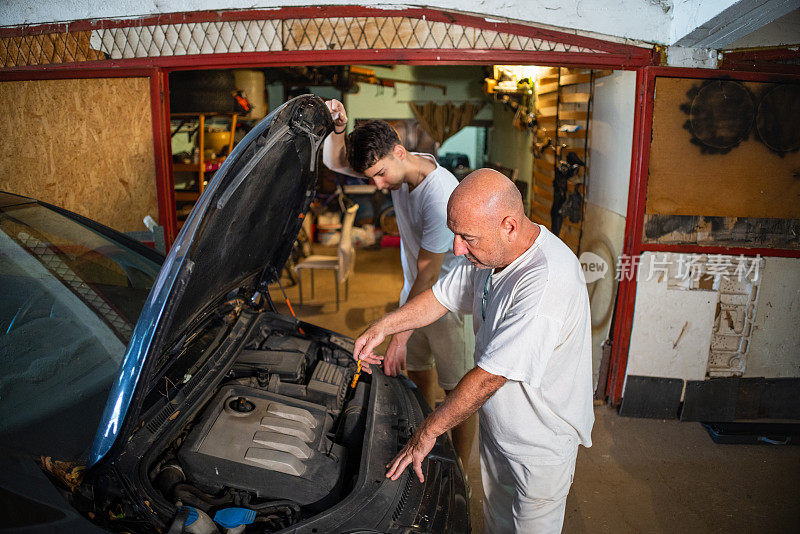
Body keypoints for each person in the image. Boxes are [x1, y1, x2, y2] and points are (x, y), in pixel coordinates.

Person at [353, 169, 594, 533]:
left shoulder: (545, 285)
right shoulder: (491, 254)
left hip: (538, 446)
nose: (456, 249)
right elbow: (439, 297)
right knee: (496, 521)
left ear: (509, 226)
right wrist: (384, 326)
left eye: (467, 237)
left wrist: (428, 431)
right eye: (455, 234)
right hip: (500, 431)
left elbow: (488, 378)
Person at [321, 100, 476, 470]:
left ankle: (462, 471)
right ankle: (424, 444)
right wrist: (339, 128)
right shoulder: (401, 165)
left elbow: (429, 272)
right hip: (416, 294)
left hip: (448, 301)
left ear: (400, 152)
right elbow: (335, 161)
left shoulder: (439, 195)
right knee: (418, 372)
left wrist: (398, 334)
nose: (377, 185)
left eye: (379, 174)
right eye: (372, 176)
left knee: (456, 393)